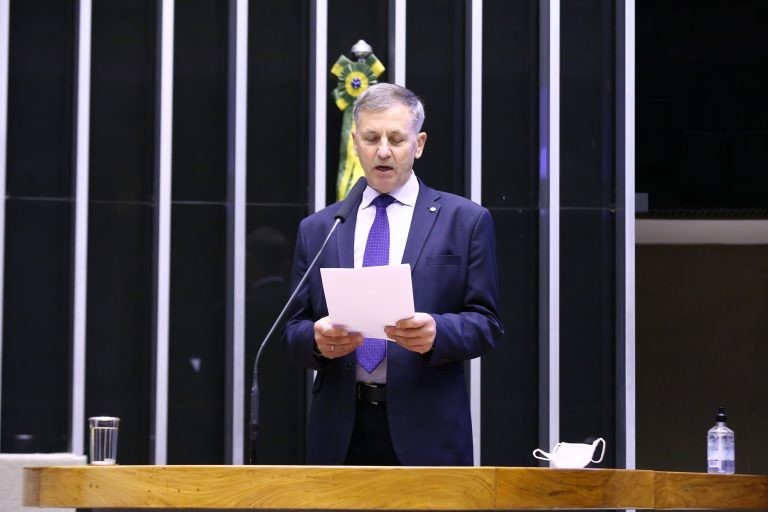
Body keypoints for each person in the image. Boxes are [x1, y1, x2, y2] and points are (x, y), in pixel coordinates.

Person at [282, 83, 503, 466]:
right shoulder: (321, 227)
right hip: (340, 432)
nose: (383, 150)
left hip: (428, 429)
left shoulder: (464, 221)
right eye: (371, 138)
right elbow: (292, 330)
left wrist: (437, 331)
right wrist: (317, 340)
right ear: (355, 143)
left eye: (396, 139)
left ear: (418, 144)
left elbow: (487, 324)